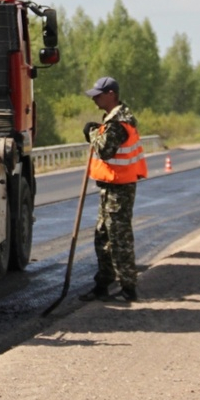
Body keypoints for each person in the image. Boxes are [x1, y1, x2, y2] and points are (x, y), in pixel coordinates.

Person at [79, 76, 148, 303]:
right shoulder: (111, 119)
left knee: (119, 238)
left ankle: (128, 288)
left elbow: (105, 150)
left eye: (98, 95)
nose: (95, 99)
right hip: (110, 187)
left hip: (120, 189)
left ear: (111, 94)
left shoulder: (119, 122)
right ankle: (103, 283)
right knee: (103, 236)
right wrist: (97, 129)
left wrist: (91, 133)